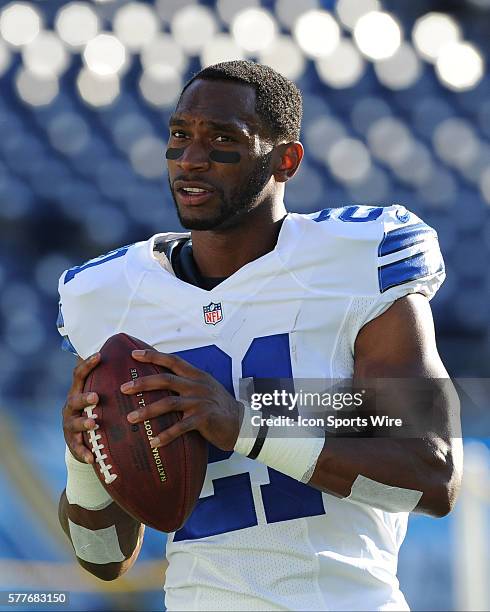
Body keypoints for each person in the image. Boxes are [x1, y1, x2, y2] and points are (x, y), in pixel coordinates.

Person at [57, 61, 462, 611]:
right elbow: (103, 558)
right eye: (180, 135)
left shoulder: (357, 261)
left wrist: (245, 425)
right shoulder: (108, 296)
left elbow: (433, 476)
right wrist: (85, 458)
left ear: (285, 160)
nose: (192, 159)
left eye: (223, 138)